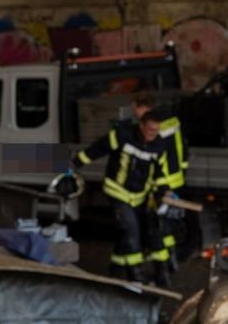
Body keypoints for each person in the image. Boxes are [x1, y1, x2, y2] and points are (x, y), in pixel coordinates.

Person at [69, 111, 168, 282]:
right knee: (131, 231)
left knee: (126, 234)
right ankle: (135, 275)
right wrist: (75, 163)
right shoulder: (123, 135)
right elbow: (97, 149)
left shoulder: (158, 145)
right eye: (150, 130)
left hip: (139, 197)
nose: (153, 134)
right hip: (117, 192)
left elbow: (159, 172)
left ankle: (116, 269)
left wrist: (162, 192)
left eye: (156, 131)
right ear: (141, 125)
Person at [125, 92, 188, 286]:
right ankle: (171, 262)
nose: (134, 113)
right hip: (176, 178)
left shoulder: (153, 127)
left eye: (135, 108)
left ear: (143, 107)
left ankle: (163, 272)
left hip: (161, 183)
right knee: (165, 225)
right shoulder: (171, 120)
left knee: (156, 227)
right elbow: (183, 147)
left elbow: (152, 154)